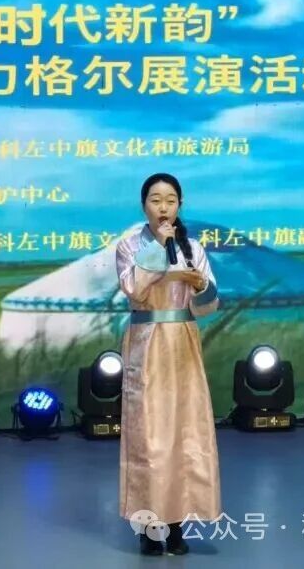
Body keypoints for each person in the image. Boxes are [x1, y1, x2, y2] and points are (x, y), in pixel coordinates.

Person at [115, 173, 223, 556]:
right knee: (149, 436)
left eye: (171, 200)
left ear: (180, 205)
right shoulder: (130, 245)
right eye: (156, 200)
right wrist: (159, 246)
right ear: (144, 204)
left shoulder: (192, 247)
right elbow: (132, 287)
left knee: (184, 433)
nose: (164, 207)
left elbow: (208, 306)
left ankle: (178, 525)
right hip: (147, 344)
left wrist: (199, 285)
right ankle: (148, 527)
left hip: (183, 344)